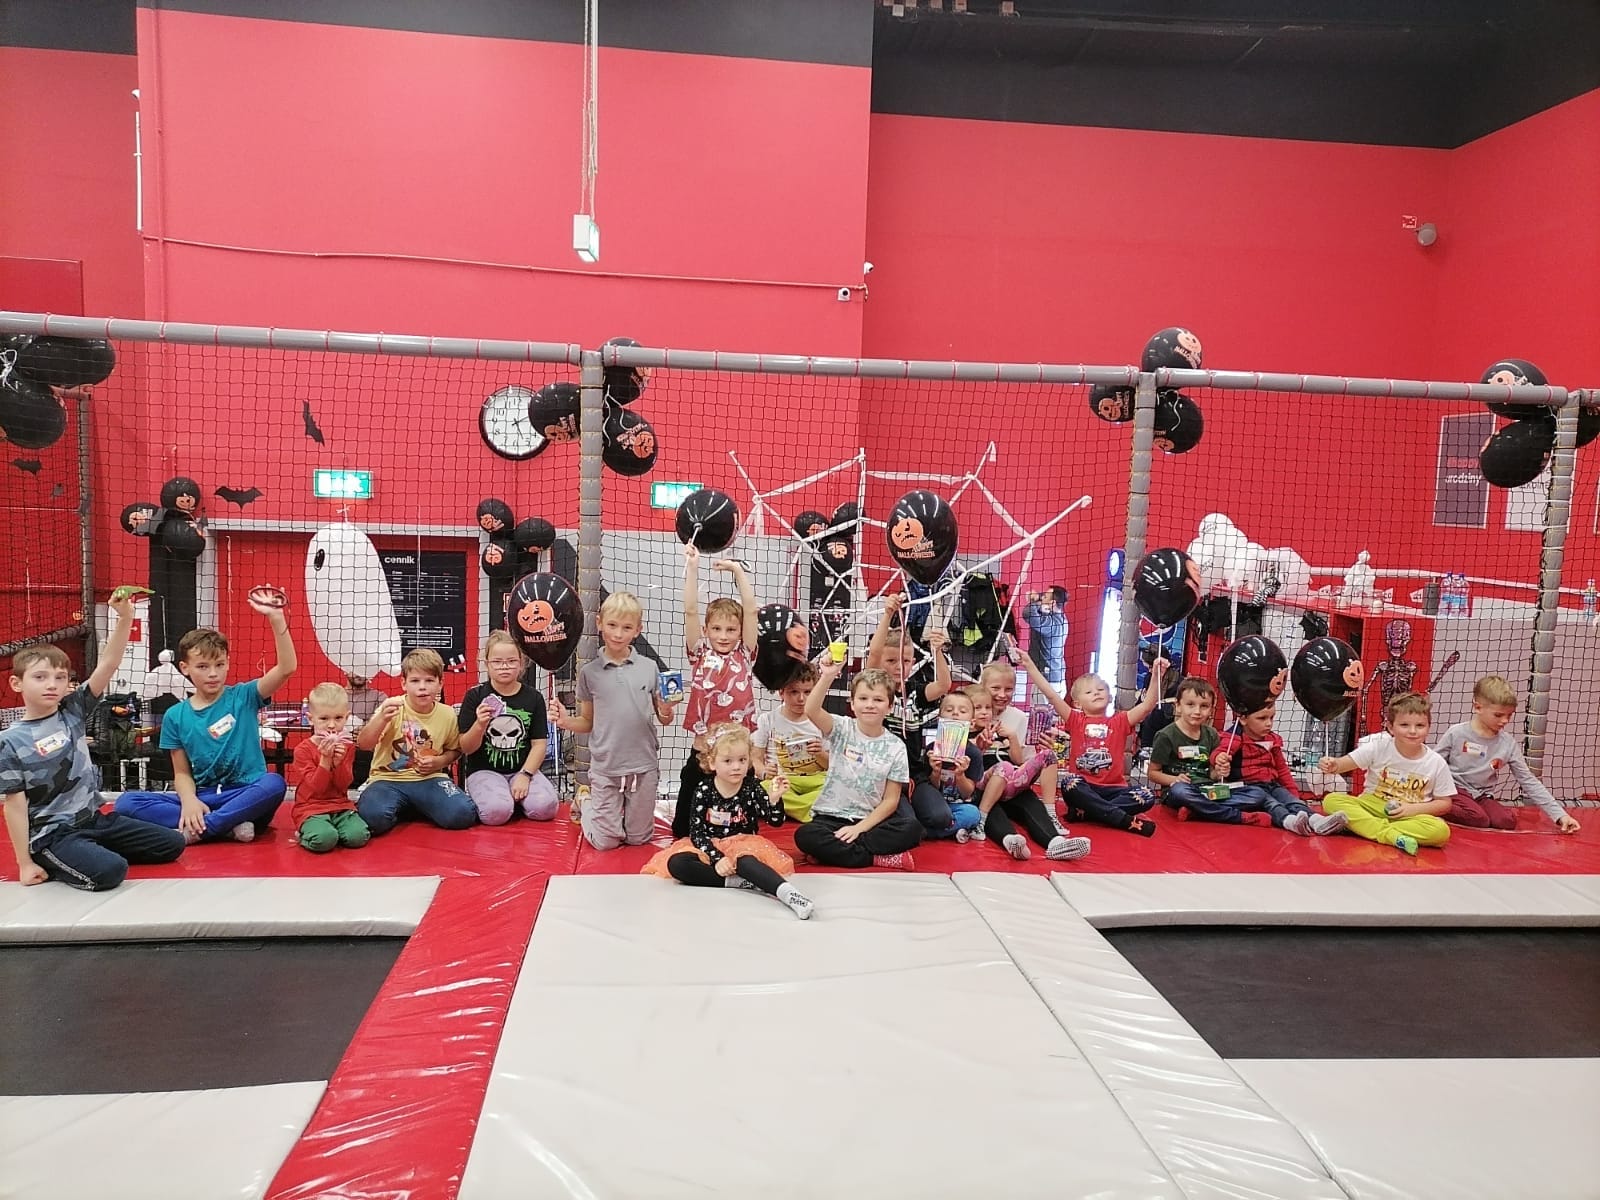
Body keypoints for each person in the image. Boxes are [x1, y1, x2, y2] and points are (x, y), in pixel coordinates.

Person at [3, 595, 186, 889]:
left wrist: (125, 617)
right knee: (111, 871)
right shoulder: (10, 741)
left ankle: (89, 851)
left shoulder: (72, 710)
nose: (51, 684)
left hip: (93, 820)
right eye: (40, 677)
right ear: (17, 683)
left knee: (172, 843)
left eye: (60, 677)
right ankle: (55, 858)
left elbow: (108, 664)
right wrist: (25, 863)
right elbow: (14, 805)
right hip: (54, 834)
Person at [116, 587, 296, 842]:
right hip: (204, 797)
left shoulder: (244, 696)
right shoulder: (175, 716)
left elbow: (287, 668)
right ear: (185, 668)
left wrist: (276, 617)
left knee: (274, 784)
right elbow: (181, 773)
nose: (213, 673)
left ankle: (202, 829)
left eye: (219, 665)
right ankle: (226, 825)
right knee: (127, 802)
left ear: (228, 663)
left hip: (246, 795)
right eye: (202, 666)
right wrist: (189, 801)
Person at [643, 724, 814, 920]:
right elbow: (697, 832)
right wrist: (717, 858)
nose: (736, 767)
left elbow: (775, 821)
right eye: (728, 761)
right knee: (678, 864)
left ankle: (789, 894)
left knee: (746, 862)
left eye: (742, 760)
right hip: (709, 846)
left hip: (743, 845)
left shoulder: (752, 787)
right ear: (712, 763)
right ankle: (738, 882)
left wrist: (775, 800)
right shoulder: (704, 790)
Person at [553, 591, 680, 849]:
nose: (618, 634)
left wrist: (667, 708)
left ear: (638, 630)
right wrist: (566, 722)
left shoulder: (649, 668)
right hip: (607, 767)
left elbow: (664, 718)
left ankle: (617, 818)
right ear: (599, 623)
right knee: (605, 842)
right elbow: (587, 722)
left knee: (639, 839)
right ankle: (585, 801)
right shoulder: (590, 673)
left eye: (626, 628)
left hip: (643, 765)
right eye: (612, 625)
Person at [792, 661, 922, 870]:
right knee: (805, 835)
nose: (870, 704)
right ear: (852, 704)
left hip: (869, 821)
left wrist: (859, 829)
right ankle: (875, 858)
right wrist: (827, 675)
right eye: (863, 698)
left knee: (912, 828)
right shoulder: (842, 728)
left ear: (890, 707)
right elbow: (811, 710)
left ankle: (837, 852)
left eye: (878, 699)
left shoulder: (896, 746)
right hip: (830, 818)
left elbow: (891, 801)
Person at [672, 546, 759, 837]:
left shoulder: (745, 653)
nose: (723, 636)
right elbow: (690, 610)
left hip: (736, 751)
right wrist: (692, 567)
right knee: (683, 828)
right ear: (706, 630)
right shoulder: (699, 652)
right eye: (717, 629)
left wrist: (737, 572)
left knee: (741, 821)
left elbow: (750, 610)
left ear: (740, 632)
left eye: (731, 630)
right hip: (705, 747)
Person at [972, 657, 1094, 860]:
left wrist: (1031, 745)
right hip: (983, 778)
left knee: (1029, 801)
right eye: (995, 688)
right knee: (989, 806)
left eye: (1008, 689)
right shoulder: (972, 713)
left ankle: (1055, 842)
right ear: (983, 687)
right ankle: (1009, 839)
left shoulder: (1019, 717)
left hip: (1010, 775)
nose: (1002, 695)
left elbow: (1021, 761)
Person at [356, 648, 477, 835]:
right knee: (373, 818)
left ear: (440, 683)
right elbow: (364, 744)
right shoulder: (391, 707)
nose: (422, 687)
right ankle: (408, 806)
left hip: (430, 779)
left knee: (463, 814)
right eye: (415, 681)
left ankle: (416, 805)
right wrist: (381, 719)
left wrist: (439, 762)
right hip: (387, 780)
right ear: (403, 683)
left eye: (429, 680)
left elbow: (456, 750)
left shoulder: (447, 714)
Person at [1437, 675, 1580, 833]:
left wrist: (1560, 815)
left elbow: (1528, 780)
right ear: (1477, 708)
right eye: (1498, 715)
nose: (1505, 720)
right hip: (1455, 789)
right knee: (1479, 819)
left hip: (1481, 795)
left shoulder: (1507, 744)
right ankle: (1435, 807)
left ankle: (1473, 810)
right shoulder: (1456, 733)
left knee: (1505, 821)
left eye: (1509, 715)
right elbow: (1433, 763)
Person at [1038, 659, 1164, 837]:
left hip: (1114, 790)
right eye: (1089, 692)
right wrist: (1028, 664)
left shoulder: (1120, 721)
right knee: (1069, 783)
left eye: (1100, 689)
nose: (1096, 693)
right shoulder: (1075, 720)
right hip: (1084, 789)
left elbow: (1147, 706)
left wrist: (1157, 673)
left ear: (1110, 697)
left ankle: (1089, 813)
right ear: (1077, 704)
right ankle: (1123, 820)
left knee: (1147, 794)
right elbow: (1052, 696)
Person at [1318, 692, 1454, 856]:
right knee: (1331, 800)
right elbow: (1342, 764)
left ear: (1428, 727)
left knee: (1440, 831)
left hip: (1409, 814)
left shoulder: (1436, 762)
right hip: (1371, 805)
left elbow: (1444, 803)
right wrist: (1333, 764)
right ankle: (1390, 835)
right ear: (1390, 727)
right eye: (1404, 725)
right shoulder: (1378, 746)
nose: (1412, 731)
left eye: (1420, 726)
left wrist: (1412, 809)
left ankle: (1363, 827)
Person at [866, 593, 956, 837]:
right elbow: (873, 656)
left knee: (941, 817)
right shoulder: (875, 689)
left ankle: (917, 826)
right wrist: (887, 614)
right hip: (884, 776)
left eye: (905, 661)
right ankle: (909, 824)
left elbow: (943, 685)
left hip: (915, 774)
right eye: (891, 660)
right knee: (909, 824)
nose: (899, 666)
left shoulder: (916, 691)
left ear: (912, 661)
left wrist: (937, 651)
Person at [457, 631, 557, 825]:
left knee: (546, 807)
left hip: (522, 769)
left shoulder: (534, 697)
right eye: (497, 662)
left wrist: (525, 775)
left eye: (511, 661)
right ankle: (504, 799)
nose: (504, 666)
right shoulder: (475, 696)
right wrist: (480, 725)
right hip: (484, 771)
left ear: (521, 663)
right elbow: (465, 748)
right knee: (496, 813)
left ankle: (516, 798)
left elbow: (539, 745)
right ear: (487, 664)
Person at [1212, 701, 1348, 835]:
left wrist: (1293, 794)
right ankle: (1289, 822)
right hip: (1249, 788)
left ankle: (1317, 821)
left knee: (1291, 801)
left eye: (1271, 718)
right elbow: (1218, 753)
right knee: (1272, 804)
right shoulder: (1234, 738)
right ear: (1243, 719)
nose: (1268, 723)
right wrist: (1219, 758)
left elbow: (1282, 770)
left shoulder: (1273, 739)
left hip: (1272, 785)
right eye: (1262, 718)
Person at [287, 682, 371, 853]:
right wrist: (326, 760)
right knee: (324, 840)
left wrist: (338, 763)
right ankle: (305, 834)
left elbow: (343, 785)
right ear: (311, 719)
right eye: (324, 719)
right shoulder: (303, 750)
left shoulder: (347, 746)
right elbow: (317, 788)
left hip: (340, 805)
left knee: (358, 836)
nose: (332, 725)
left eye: (338, 718)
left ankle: (333, 829)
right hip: (310, 808)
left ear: (347, 717)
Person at [751, 663, 829, 822]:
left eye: (807, 692)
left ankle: (795, 809)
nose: (801, 699)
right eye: (794, 692)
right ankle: (812, 811)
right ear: (781, 692)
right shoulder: (767, 720)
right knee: (764, 788)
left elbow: (832, 766)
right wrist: (764, 772)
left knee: (836, 788)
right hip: (783, 780)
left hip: (816, 779)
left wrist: (820, 753)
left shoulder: (824, 720)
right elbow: (755, 758)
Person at [920, 689, 983, 840]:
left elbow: (967, 793)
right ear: (939, 719)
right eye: (949, 710)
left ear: (972, 722)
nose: (955, 713)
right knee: (919, 808)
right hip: (934, 803)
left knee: (973, 814)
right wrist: (935, 772)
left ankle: (929, 832)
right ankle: (953, 829)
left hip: (957, 805)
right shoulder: (931, 750)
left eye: (962, 711)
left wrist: (960, 775)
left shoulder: (973, 753)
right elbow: (930, 789)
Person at [345, 672, 385, 786]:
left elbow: (383, 723)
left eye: (363, 670)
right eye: (355, 669)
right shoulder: (336, 696)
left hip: (368, 756)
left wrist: (364, 731)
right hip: (340, 753)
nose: (360, 674)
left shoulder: (379, 697)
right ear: (345, 670)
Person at [1022, 586, 1068, 685]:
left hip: (1049, 680)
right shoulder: (1058, 617)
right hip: (1047, 677)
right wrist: (1039, 599)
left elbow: (1027, 613)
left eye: (1045, 597)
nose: (1042, 597)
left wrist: (1035, 602)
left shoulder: (1053, 624)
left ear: (1053, 603)